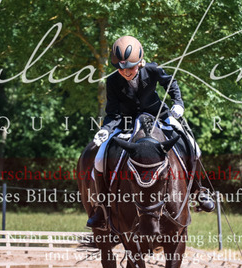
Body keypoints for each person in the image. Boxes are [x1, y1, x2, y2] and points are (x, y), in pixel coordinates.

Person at [86, 35, 216, 228]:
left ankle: (199, 190)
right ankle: (102, 208)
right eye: (121, 69)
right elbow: (112, 112)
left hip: (158, 114)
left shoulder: (152, 70)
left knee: (193, 145)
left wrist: (178, 103)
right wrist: (105, 129)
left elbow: (170, 83)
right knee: (99, 158)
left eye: (130, 68)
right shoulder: (112, 81)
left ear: (140, 63)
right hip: (127, 121)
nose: (125, 72)